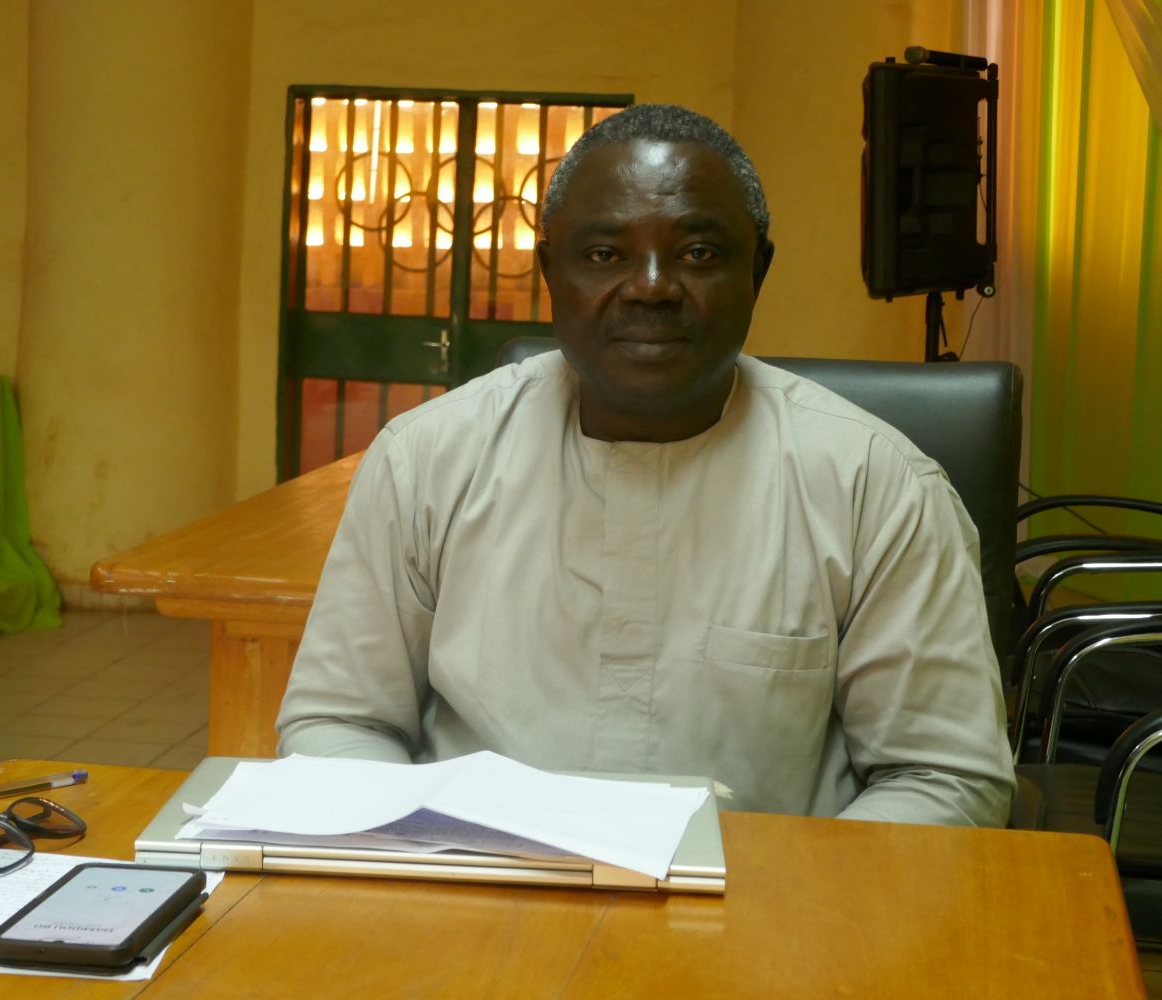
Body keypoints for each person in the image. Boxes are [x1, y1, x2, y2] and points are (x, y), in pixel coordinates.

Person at [276, 103, 1015, 826]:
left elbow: (942, 776)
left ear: (757, 271)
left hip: (762, 925)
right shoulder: (426, 461)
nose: (653, 286)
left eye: (698, 253)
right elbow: (341, 722)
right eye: (605, 255)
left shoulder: (876, 487)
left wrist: (788, 915)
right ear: (550, 272)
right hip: (479, 904)